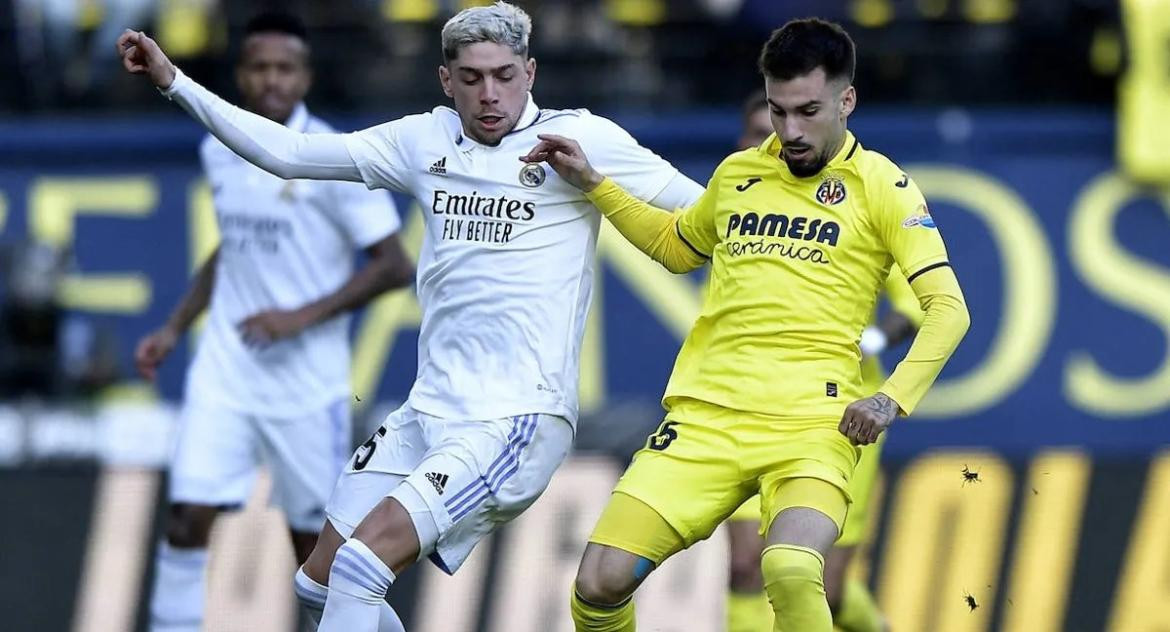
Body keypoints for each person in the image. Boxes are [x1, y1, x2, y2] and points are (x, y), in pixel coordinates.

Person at [117, 3, 703, 630]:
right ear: (446, 81)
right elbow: (290, 152)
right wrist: (173, 82)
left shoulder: (583, 141)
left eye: (504, 75)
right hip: (428, 411)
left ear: (530, 72)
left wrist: (603, 187)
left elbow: (704, 212)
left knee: (364, 567)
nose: (489, 93)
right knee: (318, 582)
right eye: (472, 78)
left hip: (516, 417)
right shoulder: (422, 141)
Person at [522, 17, 970, 631]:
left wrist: (891, 399)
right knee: (598, 584)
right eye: (778, 111)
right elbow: (679, 246)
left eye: (806, 111)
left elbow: (949, 309)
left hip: (813, 426)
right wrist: (598, 186)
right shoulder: (740, 174)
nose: (789, 130)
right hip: (706, 419)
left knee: (790, 568)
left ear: (847, 100)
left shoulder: (884, 188)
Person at [131, 12, 412, 632]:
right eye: (259, 67)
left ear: (305, 77)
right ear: (241, 74)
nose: (271, 80)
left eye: (285, 68)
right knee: (185, 520)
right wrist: (175, 328)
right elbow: (231, 246)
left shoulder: (336, 160)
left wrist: (300, 316)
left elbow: (394, 265)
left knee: (312, 553)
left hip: (307, 388)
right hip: (226, 374)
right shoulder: (220, 147)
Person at [723, 91, 920, 632]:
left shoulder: (860, 202)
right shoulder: (734, 198)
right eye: (759, 130)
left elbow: (914, 305)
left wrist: (870, 344)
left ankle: (866, 622)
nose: (778, 139)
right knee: (744, 566)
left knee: (822, 595)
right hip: (745, 407)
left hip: (835, 413)